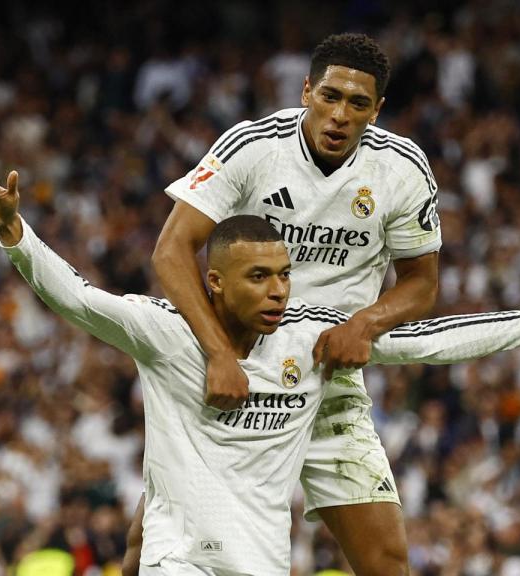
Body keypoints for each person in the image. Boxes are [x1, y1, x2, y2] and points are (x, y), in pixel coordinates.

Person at [0, 170, 520, 575]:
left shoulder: (312, 342)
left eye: (283, 275)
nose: (280, 290)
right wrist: (15, 232)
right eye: (259, 277)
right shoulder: (165, 332)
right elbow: (72, 293)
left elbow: (431, 340)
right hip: (179, 562)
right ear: (213, 284)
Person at [138, 32, 443, 575]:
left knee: (388, 561)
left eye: (358, 104)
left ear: (377, 110)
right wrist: (218, 353)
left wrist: (366, 323)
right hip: (239, 364)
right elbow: (171, 251)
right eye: (330, 96)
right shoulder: (253, 148)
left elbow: (421, 282)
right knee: (153, 542)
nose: (340, 115)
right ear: (306, 91)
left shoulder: (401, 169)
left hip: (327, 378)